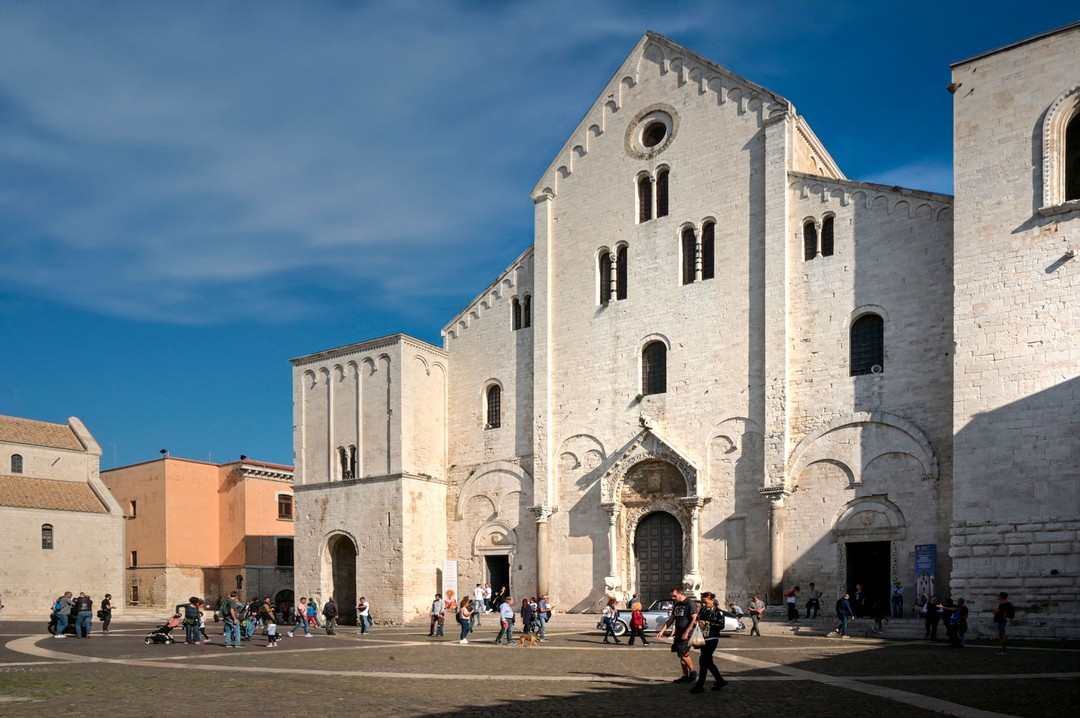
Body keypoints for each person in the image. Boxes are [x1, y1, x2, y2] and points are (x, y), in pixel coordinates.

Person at [657, 586, 698, 684]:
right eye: (672, 596)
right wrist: (662, 631)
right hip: (679, 632)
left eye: (675, 596)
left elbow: (694, 619)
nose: (673, 598)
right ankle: (685, 675)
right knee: (681, 654)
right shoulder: (677, 604)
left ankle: (693, 672)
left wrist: (687, 632)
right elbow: (671, 619)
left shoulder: (690, 603)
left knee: (683, 653)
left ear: (680, 594)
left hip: (687, 633)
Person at [690, 592, 728, 693]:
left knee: (703, 660)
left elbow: (721, 626)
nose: (703, 604)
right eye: (702, 602)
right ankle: (720, 680)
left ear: (712, 600)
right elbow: (698, 619)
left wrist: (708, 623)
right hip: (702, 638)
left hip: (712, 638)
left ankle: (700, 685)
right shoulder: (702, 610)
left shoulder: (718, 612)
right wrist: (697, 623)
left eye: (705, 602)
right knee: (708, 661)